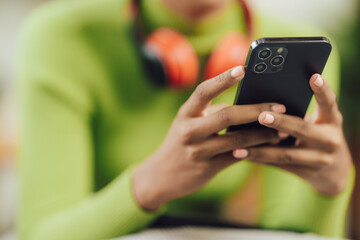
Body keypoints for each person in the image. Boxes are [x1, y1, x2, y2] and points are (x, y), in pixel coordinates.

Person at [16, 0, 354, 239]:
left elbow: (284, 233)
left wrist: (332, 188)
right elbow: (41, 233)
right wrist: (149, 184)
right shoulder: (63, 36)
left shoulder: (299, 44)